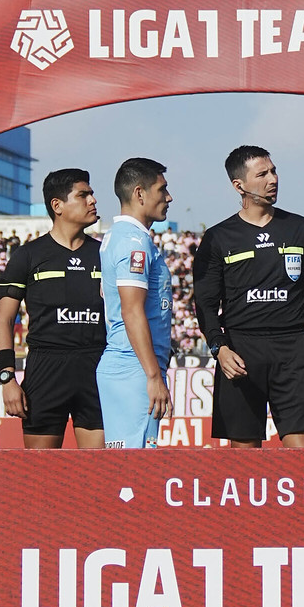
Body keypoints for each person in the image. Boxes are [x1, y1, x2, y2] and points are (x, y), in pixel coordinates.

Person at [192, 146, 304, 448]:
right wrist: (219, 348)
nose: (273, 179)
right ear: (239, 185)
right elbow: (205, 304)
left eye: (274, 171)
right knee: (244, 464)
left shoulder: (302, 229)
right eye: (262, 174)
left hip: (292, 350)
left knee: (301, 458)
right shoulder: (217, 237)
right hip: (240, 352)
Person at [0, 167, 106, 449]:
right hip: (46, 369)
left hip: (97, 368)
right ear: (57, 205)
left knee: (100, 476)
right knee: (39, 477)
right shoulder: (28, 255)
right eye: (84, 195)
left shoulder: (105, 254)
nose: (93, 201)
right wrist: (7, 379)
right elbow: (4, 321)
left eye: (91, 194)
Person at [96, 158, 176, 449]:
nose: (169, 197)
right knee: (134, 475)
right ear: (140, 193)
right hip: (134, 367)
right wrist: (153, 376)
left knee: (128, 470)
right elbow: (131, 310)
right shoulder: (133, 242)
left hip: (130, 365)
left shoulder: (123, 237)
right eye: (162, 189)